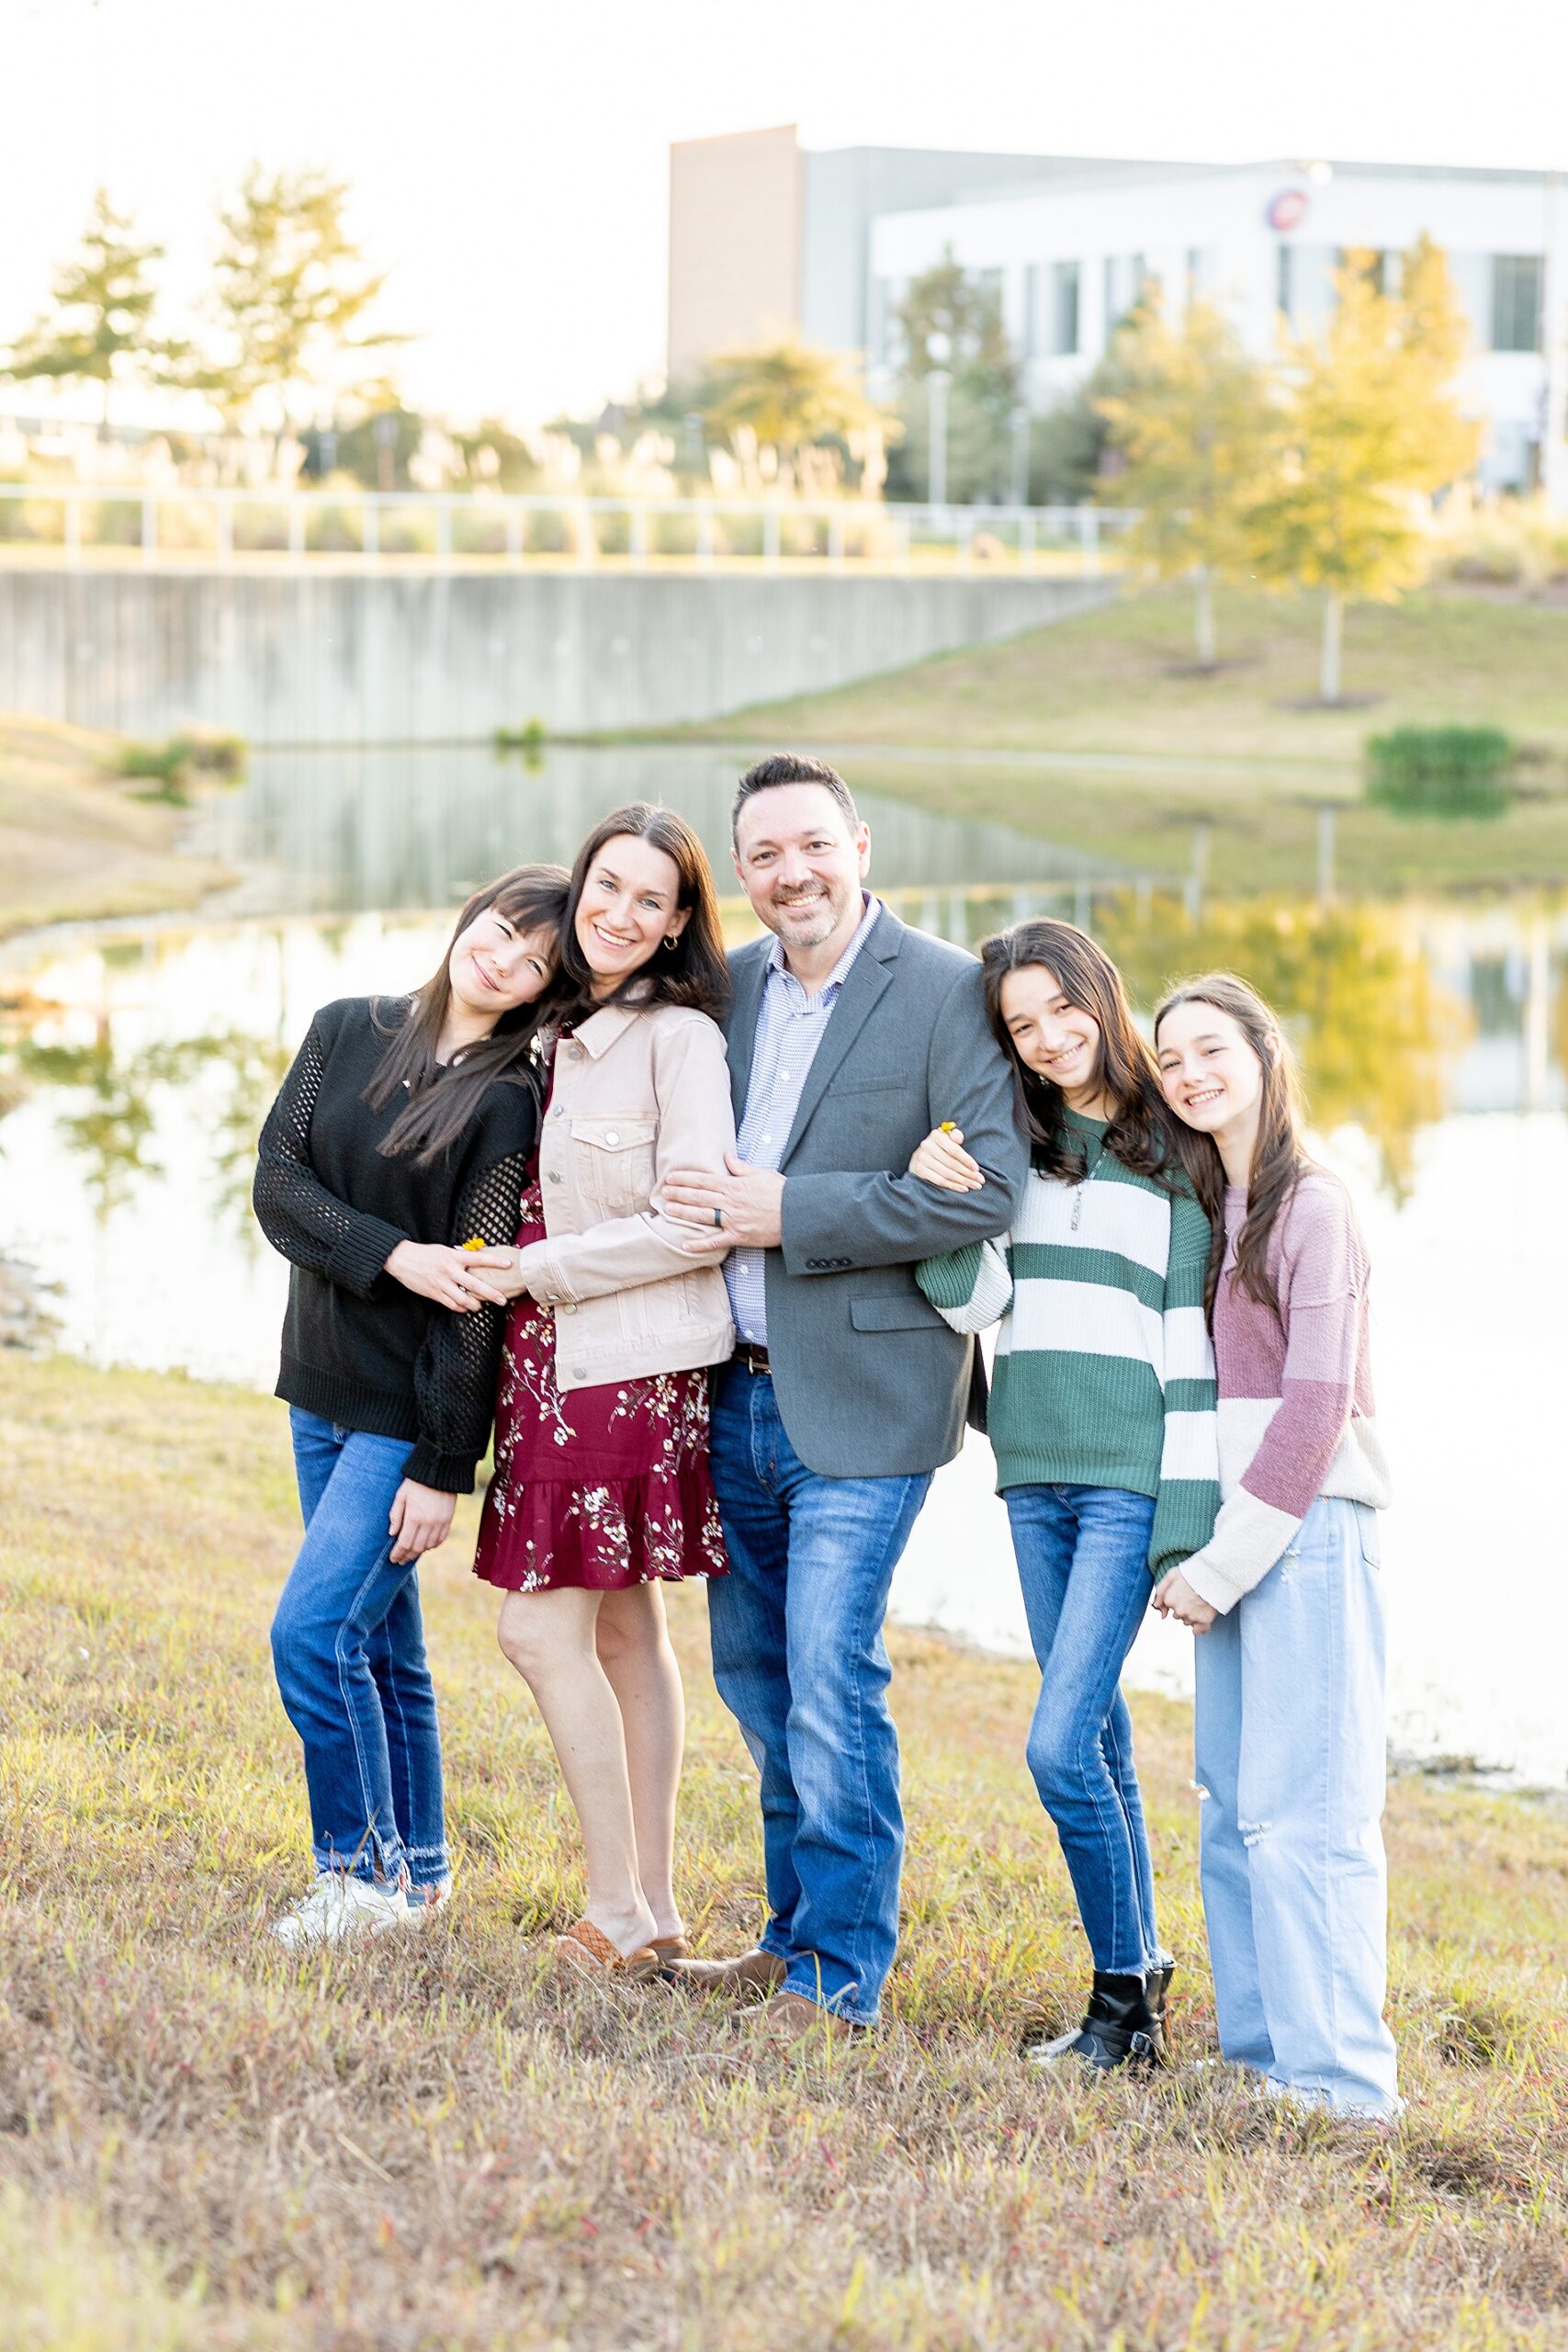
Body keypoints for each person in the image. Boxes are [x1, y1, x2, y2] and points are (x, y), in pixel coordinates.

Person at [657, 752, 1027, 2042]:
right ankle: (789, 1933)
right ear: (742, 869)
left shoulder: (944, 994)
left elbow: (984, 1191)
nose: (789, 873)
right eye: (762, 855)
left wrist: (787, 1211)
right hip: (727, 1393)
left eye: (811, 845)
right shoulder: (730, 987)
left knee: (827, 1671)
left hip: (866, 1398)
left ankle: (841, 1977)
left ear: (859, 846)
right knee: (757, 1676)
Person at [908, 919, 1220, 2070]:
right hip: (1029, 1474)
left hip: (1130, 1486)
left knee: (1056, 1746)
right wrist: (935, 1188)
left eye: (1060, 1010)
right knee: (1098, 1736)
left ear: (1101, 990)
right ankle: (1142, 1984)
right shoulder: (1013, 1143)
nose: (1046, 1040)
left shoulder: (1179, 1152)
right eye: (1019, 1026)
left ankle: (1118, 2003)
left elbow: (1191, 1348)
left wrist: (1189, 1513)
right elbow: (971, 1302)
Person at [254, 864, 569, 1948]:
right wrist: (392, 1254)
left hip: (403, 1411)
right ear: (471, 912)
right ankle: (420, 1875)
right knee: (381, 1643)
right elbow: (276, 1186)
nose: (507, 958)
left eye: (537, 961)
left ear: (545, 989)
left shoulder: (505, 1099)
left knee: (312, 1635)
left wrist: (446, 1465)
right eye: (504, 930)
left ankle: (357, 1875)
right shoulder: (347, 1026)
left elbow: (476, 1298)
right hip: (317, 1383)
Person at [453, 805, 736, 1981]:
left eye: (649, 900)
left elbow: (697, 1221)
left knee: (535, 1627)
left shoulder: (680, 1038)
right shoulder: (547, 1026)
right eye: (604, 887)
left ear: (677, 926)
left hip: (623, 1364)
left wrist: (535, 1271)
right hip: (544, 1365)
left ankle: (616, 1907)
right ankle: (656, 1909)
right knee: (625, 1627)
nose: (619, 914)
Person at [1153, 972, 1398, 2120]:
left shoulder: (1315, 1205)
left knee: (1311, 1814)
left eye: (1212, 1048)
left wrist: (1216, 1564)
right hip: (1241, 1538)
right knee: (1235, 1808)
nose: (1193, 1073)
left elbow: (1314, 1416)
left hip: (1303, 1535)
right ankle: (1261, 2057)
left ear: (1263, 1050)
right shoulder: (1220, 1206)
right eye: (1172, 1059)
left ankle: (1342, 2082)